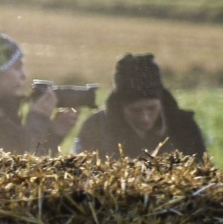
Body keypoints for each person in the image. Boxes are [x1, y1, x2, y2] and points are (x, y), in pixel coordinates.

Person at [71, 53, 208, 162]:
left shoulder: (184, 126)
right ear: (121, 106)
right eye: (135, 110)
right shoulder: (96, 127)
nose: (145, 118)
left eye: (151, 108)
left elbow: (202, 170)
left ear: (161, 102)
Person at [0, 33, 82, 155]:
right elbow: (21, 160)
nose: (24, 75)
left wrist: (52, 135)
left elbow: (35, 163)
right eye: (17, 68)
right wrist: (38, 119)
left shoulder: (6, 112)